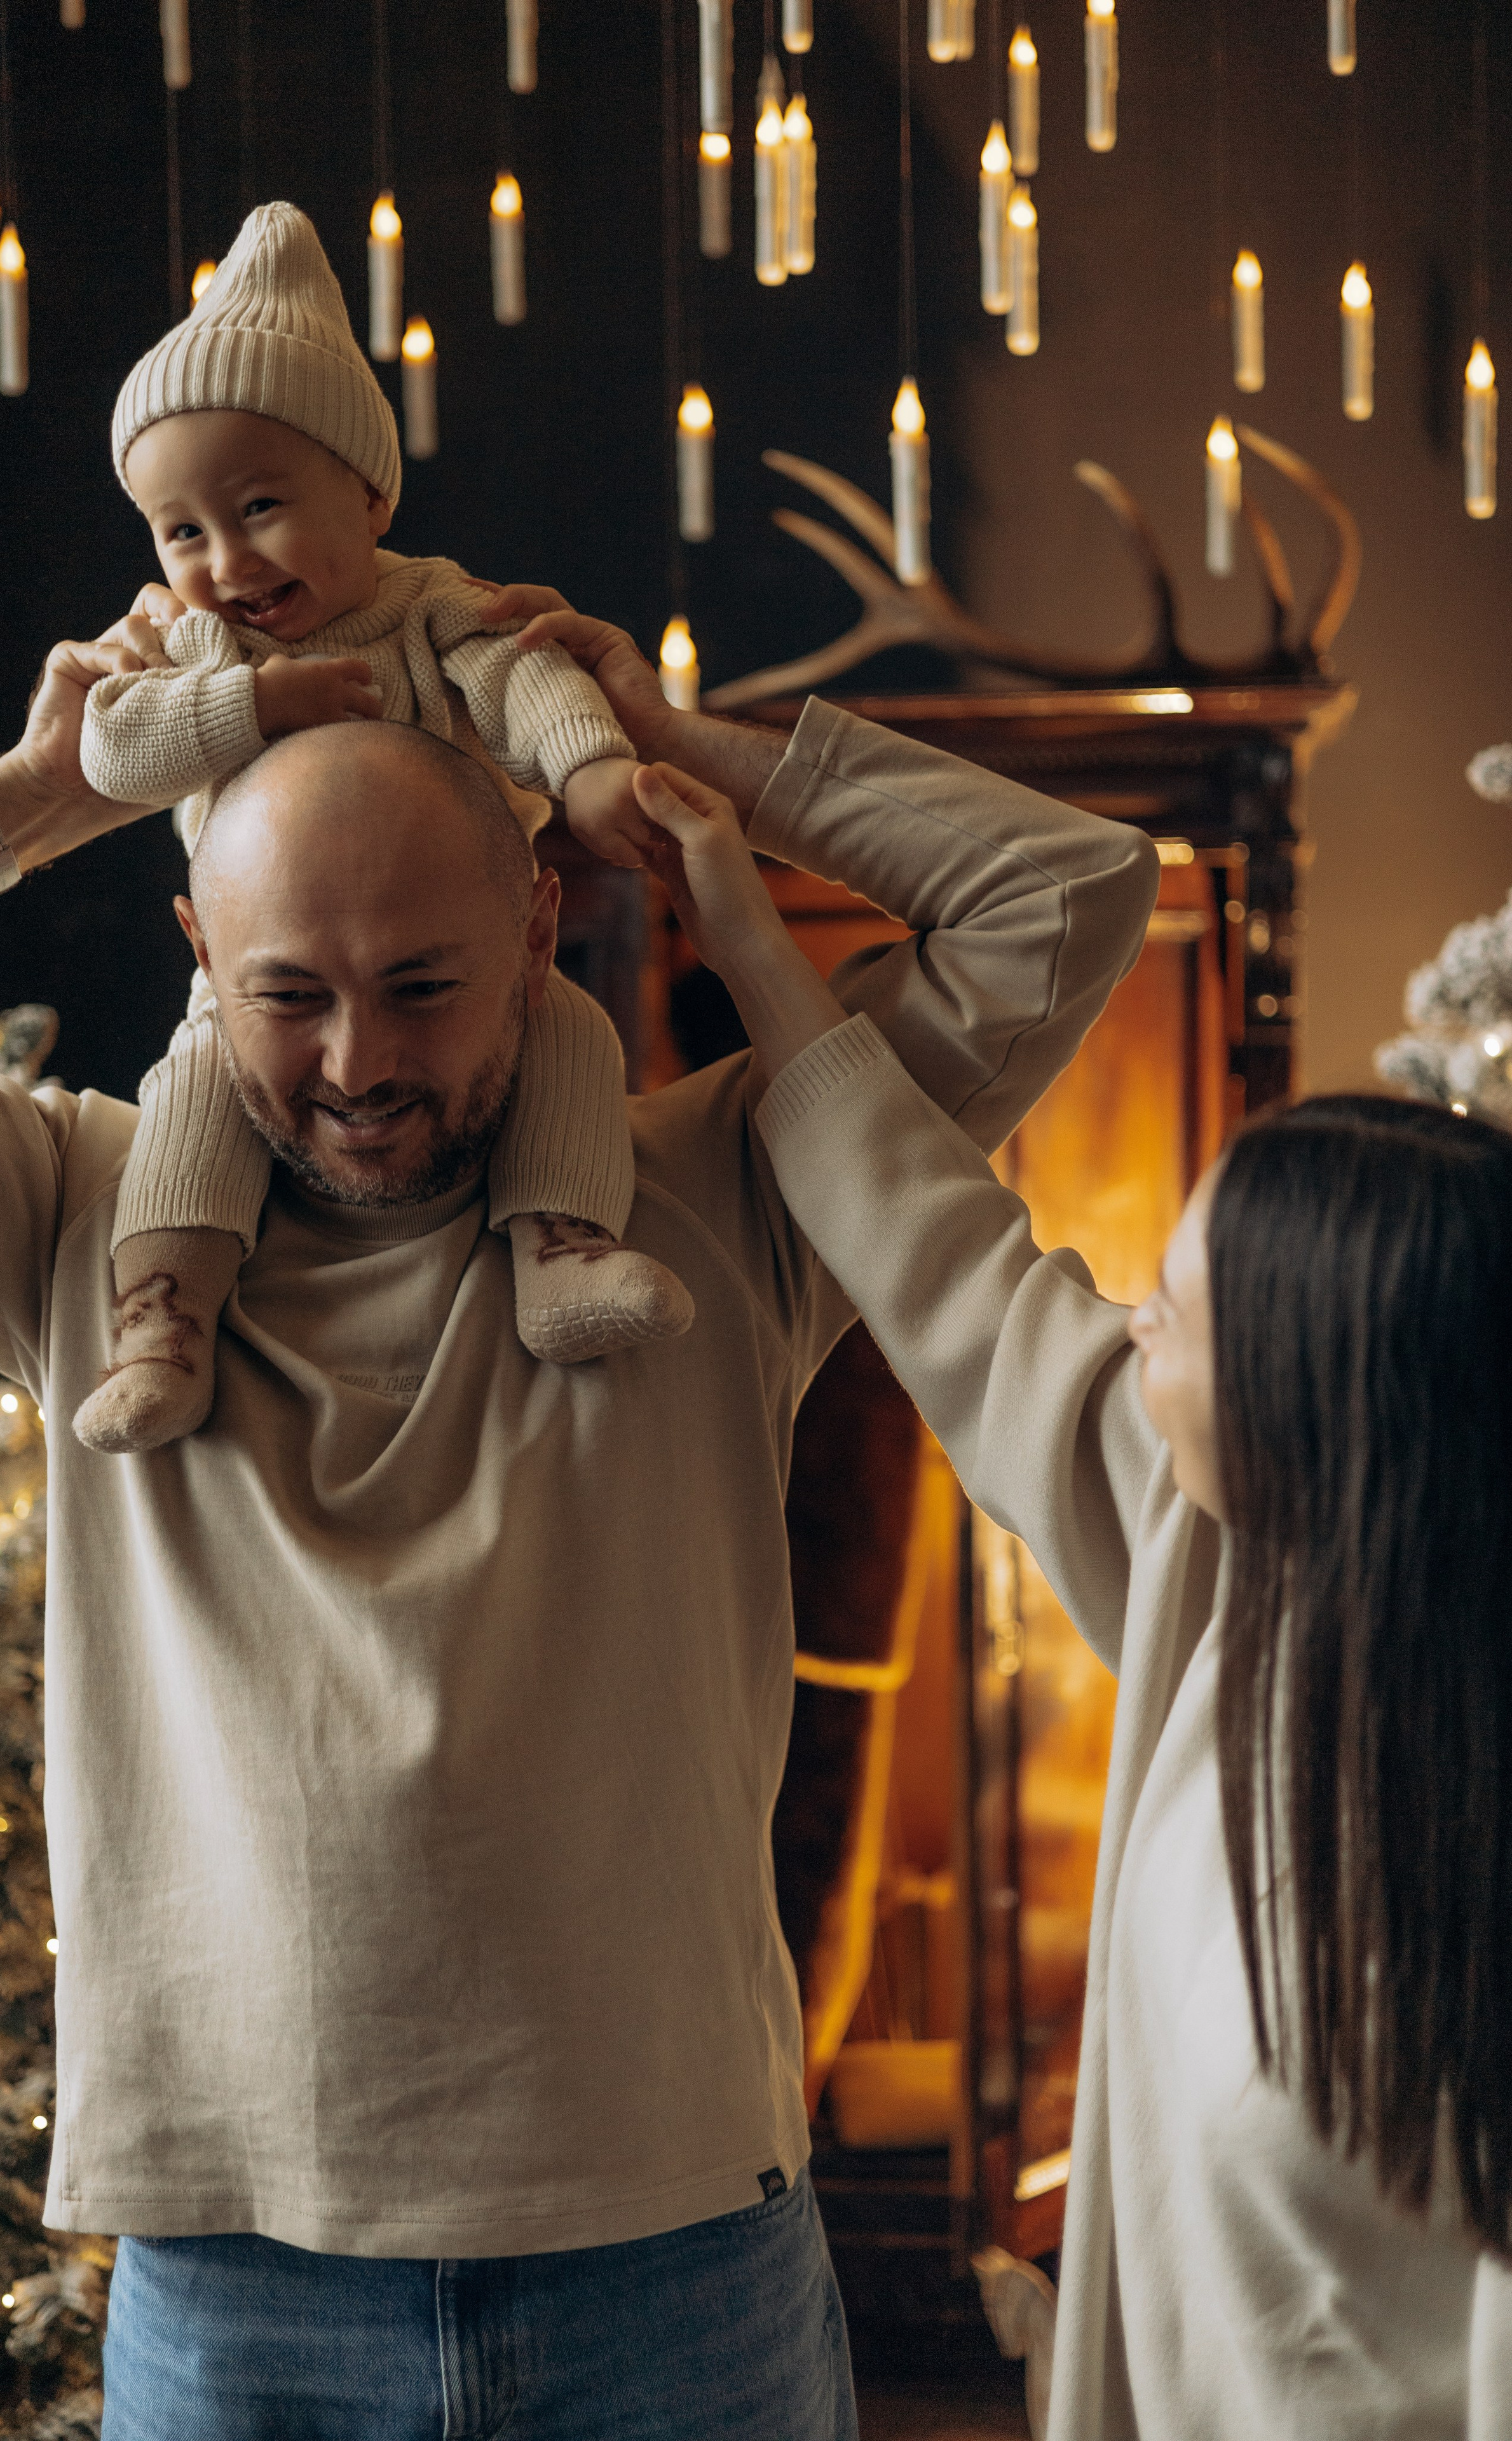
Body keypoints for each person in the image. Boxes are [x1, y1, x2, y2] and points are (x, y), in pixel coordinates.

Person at [0, 596, 1157, 2437]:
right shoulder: (78, 1220)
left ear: (542, 922)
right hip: (242, 2285)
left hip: (679, 2271)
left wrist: (676, 754)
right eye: (286, 994)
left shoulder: (730, 1179)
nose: (356, 1066)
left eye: (421, 984)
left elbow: (1069, 899)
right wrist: (25, 800)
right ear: (196, 950)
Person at [641, 756, 1512, 2439]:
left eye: (1169, 1317)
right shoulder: (1216, 1567)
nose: (1122, 1333)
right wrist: (740, 913)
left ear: (1308, 1396)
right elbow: (949, 1260)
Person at [72, 199, 691, 1458]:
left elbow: (534, 687)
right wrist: (250, 699)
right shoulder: (195, 646)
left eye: (258, 508)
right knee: (193, 1087)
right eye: (180, 530)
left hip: (470, 957)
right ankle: (165, 1314)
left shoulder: (433, 610)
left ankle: (561, 1243)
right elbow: (110, 749)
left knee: (567, 1032)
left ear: (365, 494)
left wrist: (587, 776)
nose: (223, 561)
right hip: (257, 979)